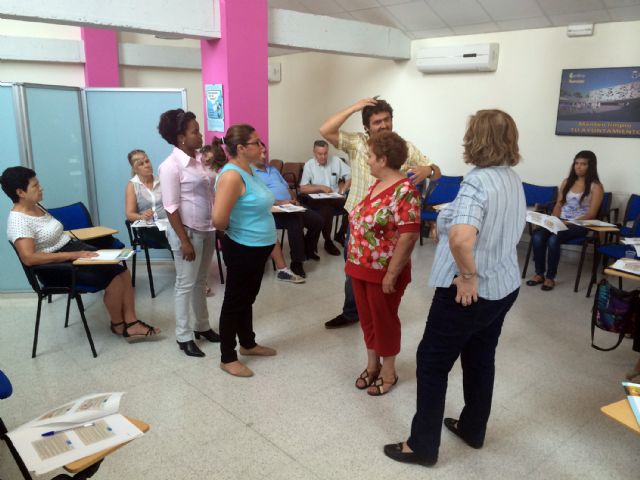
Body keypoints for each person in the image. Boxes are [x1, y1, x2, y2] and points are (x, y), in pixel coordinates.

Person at [383, 109, 525, 467]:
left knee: (431, 362)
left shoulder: (478, 181)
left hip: (469, 293)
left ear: (475, 139)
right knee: (480, 358)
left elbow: (463, 239)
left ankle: (422, 446)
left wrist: (467, 276)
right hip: (504, 286)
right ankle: (473, 428)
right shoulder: (511, 177)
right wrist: (448, 223)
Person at [319, 97, 440, 329]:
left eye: (387, 120)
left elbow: (436, 173)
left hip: (388, 229)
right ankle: (353, 312)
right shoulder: (357, 143)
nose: (383, 125)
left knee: (386, 275)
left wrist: (429, 168)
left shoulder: (403, 147)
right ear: (367, 126)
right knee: (353, 273)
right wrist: (355, 107)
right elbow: (326, 129)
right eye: (377, 122)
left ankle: (380, 313)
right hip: (357, 225)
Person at [2, 166, 160, 341]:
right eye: (35, 185)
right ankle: (118, 325)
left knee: (123, 271)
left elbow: (52, 235)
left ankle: (131, 322)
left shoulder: (37, 206)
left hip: (71, 250)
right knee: (114, 279)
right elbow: (29, 258)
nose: (41, 188)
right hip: (55, 268)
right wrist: (73, 255)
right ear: (20, 192)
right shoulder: (18, 221)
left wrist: (78, 250)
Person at [347, 131, 420, 396]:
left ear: (383, 159)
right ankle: (371, 364)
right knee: (367, 319)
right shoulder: (374, 185)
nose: (367, 160)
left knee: (384, 320)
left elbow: (409, 235)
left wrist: (392, 274)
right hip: (359, 267)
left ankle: (389, 370)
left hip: (383, 272)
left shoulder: (405, 190)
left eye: (370, 156)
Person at [212, 125, 278, 378]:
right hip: (242, 248)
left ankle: (248, 343)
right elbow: (218, 220)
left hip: (258, 248)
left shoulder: (249, 170)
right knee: (234, 302)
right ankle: (227, 357)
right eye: (257, 142)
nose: (262, 147)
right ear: (241, 148)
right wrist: (241, 230)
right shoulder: (231, 176)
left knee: (246, 299)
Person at [158, 109, 219, 358]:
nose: (200, 134)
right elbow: (171, 207)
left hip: (207, 228)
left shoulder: (198, 160)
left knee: (200, 281)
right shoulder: (170, 166)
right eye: (195, 132)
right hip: (188, 233)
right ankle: (183, 336)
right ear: (181, 137)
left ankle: (202, 326)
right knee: (185, 284)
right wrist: (184, 241)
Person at [206, 143, 306, 283]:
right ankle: (283, 267)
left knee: (303, 220)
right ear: (241, 149)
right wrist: (277, 204)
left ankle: (294, 263)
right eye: (257, 146)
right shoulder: (236, 175)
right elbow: (220, 219)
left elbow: (278, 189)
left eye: (264, 150)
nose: (263, 154)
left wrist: (290, 200)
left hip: (275, 216)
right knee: (239, 295)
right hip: (249, 235)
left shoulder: (263, 170)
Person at [527, 151, 604, 291]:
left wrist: (567, 223)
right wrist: (553, 220)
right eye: (577, 163)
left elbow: (592, 214)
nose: (578, 167)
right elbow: (558, 204)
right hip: (561, 221)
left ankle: (550, 277)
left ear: (590, 166)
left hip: (579, 224)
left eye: (583, 164)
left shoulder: (596, 186)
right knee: (538, 236)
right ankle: (539, 274)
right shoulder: (567, 182)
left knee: (553, 239)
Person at [253, 151, 323, 278]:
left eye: (264, 153)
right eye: (260, 153)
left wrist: (295, 200)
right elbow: (258, 198)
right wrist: (280, 202)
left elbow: (287, 188)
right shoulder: (251, 173)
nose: (263, 156)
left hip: (290, 206)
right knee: (295, 222)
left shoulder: (273, 169)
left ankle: (307, 249)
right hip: (272, 210)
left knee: (317, 220)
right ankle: (297, 262)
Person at [299, 140, 351, 252]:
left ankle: (340, 234)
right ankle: (328, 241)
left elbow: (349, 177)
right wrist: (321, 187)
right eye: (320, 154)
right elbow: (303, 188)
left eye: (325, 153)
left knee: (352, 205)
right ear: (314, 152)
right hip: (319, 200)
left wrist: (342, 191)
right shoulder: (309, 165)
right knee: (326, 209)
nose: (323, 157)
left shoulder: (336, 161)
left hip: (336, 197)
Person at [125, 149, 171, 249]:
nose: (147, 165)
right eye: (141, 164)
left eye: (147, 161)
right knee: (174, 238)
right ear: (135, 169)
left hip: (167, 224)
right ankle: (181, 261)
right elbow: (129, 214)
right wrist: (142, 216)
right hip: (147, 227)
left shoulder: (161, 180)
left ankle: (183, 262)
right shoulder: (132, 185)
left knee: (179, 232)